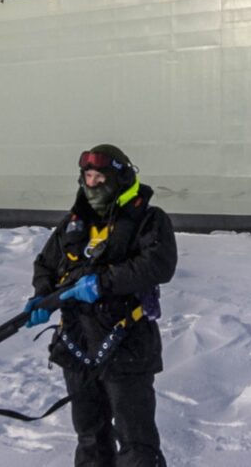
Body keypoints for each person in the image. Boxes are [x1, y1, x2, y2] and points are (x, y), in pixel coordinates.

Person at [29, 144, 178, 467]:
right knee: (90, 437)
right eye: (88, 176)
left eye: (101, 177)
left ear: (120, 179)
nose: (93, 183)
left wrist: (103, 283)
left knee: (136, 442)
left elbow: (158, 264)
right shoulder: (72, 223)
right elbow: (46, 264)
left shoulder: (148, 220)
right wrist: (42, 295)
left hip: (126, 344)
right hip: (77, 345)